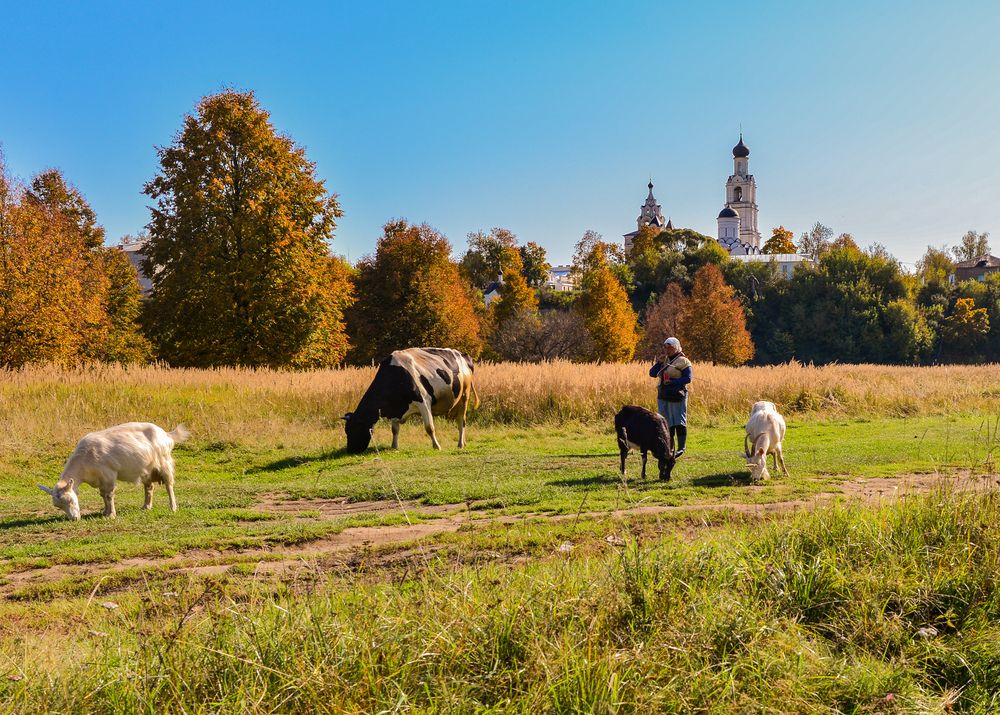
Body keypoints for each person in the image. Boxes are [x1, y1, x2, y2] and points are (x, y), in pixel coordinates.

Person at [649, 337, 692, 457]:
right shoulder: (664, 360)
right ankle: (669, 447)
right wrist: (659, 362)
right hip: (663, 395)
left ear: (676, 347)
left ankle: (681, 448)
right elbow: (652, 373)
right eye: (665, 347)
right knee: (666, 422)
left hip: (677, 395)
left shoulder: (683, 361)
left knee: (679, 421)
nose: (667, 350)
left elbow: (688, 378)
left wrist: (673, 382)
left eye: (670, 347)